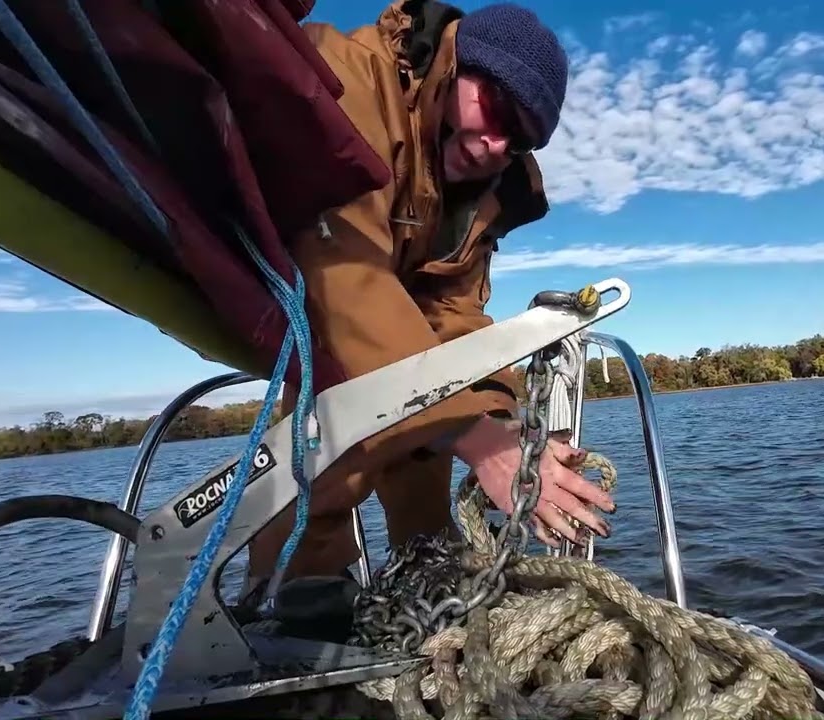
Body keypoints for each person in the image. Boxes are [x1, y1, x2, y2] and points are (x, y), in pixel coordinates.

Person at [245, 1, 613, 590]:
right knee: (332, 415)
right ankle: (293, 600)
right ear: (455, 61)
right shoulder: (350, 77)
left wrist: (500, 423)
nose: (493, 145)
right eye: (493, 107)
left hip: (387, 327)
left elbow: (454, 315)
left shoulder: (483, 195)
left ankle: (426, 576)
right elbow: (341, 273)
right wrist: (483, 443)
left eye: (517, 138)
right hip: (304, 300)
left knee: (435, 437)